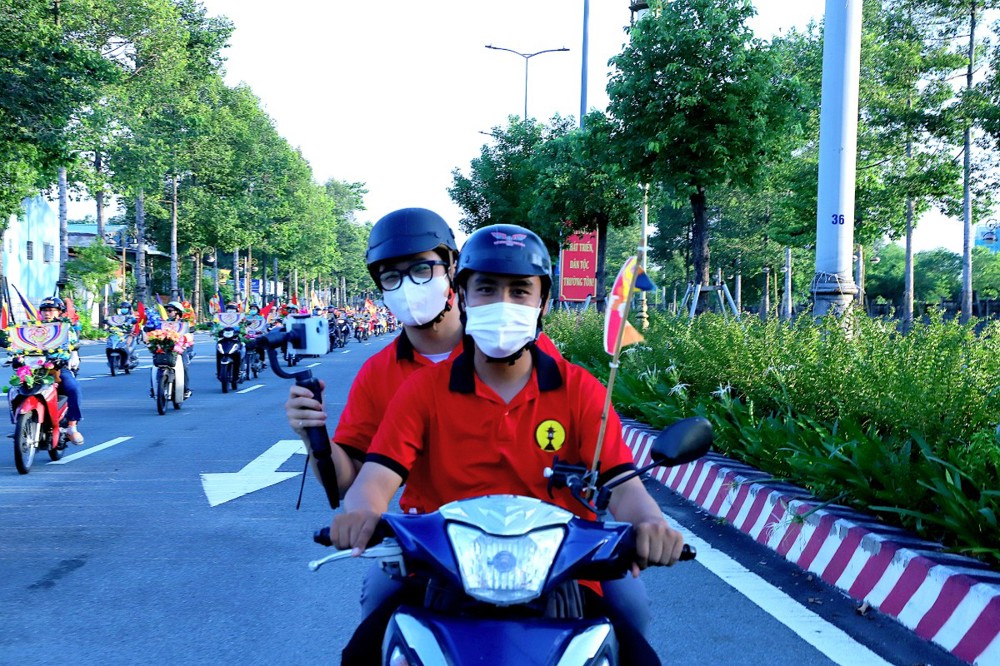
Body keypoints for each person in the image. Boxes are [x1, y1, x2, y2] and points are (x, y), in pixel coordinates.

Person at [330, 225, 678, 665]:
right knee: (365, 646)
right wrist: (360, 511)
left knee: (635, 620)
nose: (503, 303)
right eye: (487, 289)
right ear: (462, 296)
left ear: (543, 302)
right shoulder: (422, 391)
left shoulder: (581, 390)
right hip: (438, 567)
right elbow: (377, 477)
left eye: (520, 291)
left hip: (566, 571)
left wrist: (651, 523)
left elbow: (622, 483)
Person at [285, 207, 463, 492]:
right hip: (424, 519)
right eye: (391, 276)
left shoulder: (510, 350)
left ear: (451, 266)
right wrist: (312, 433)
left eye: (421, 269)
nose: (408, 287)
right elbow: (347, 482)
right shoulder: (378, 373)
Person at [38, 297, 85, 445]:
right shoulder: (33, 328)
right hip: (34, 368)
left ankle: (72, 426)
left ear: (59, 312)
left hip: (57, 367)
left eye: (51, 310)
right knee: (15, 390)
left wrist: (65, 358)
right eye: (44, 310)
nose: (47, 313)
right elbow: (20, 344)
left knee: (73, 388)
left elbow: (71, 344)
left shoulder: (65, 328)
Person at [164, 300, 194, 398]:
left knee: (184, 366)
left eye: (170, 311)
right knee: (156, 366)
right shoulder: (164, 323)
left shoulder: (184, 323)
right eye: (167, 311)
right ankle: (154, 389)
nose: (168, 313)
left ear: (177, 312)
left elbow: (189, 334)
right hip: (166, 348)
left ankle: (186, 389)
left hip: (180, 349)